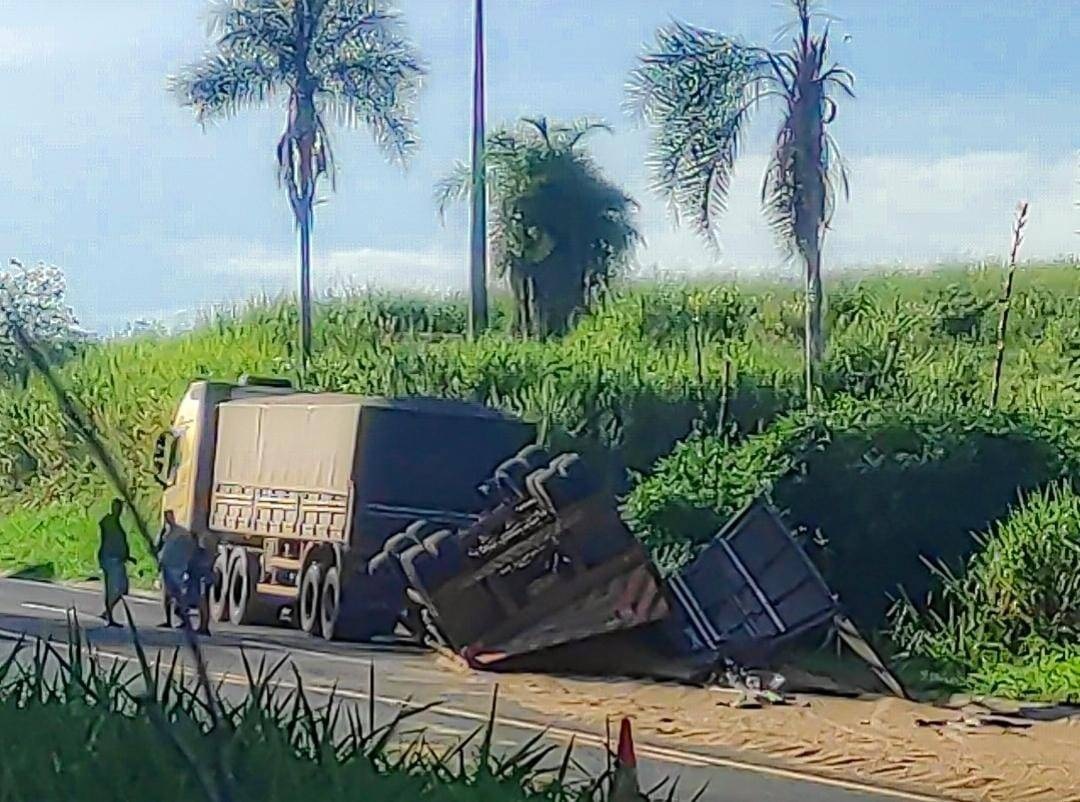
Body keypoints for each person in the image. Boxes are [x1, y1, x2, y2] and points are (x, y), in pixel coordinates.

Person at [97, 498, 134, 627]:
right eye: (117, 507)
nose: (118, 511)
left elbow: (120, 543)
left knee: (122, 588)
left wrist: (127, 556)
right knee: (112, 588)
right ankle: (109, 616)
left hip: (117, 559)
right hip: (111, 559)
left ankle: (108, 612)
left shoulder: (116, 523)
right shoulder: (109, 522)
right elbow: (110, 540)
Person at [156, 509, 194, 629]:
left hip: (177, 567)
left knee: (177, 595)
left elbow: (190, 546)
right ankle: (168, 620)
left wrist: (187, 560)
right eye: (166, 518)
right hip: (167, 566)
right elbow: (159, 547)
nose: (168, 520)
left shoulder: (181, 532)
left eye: (169, 517)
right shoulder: (165, 533)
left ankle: (184, 619)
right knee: (167, 595)